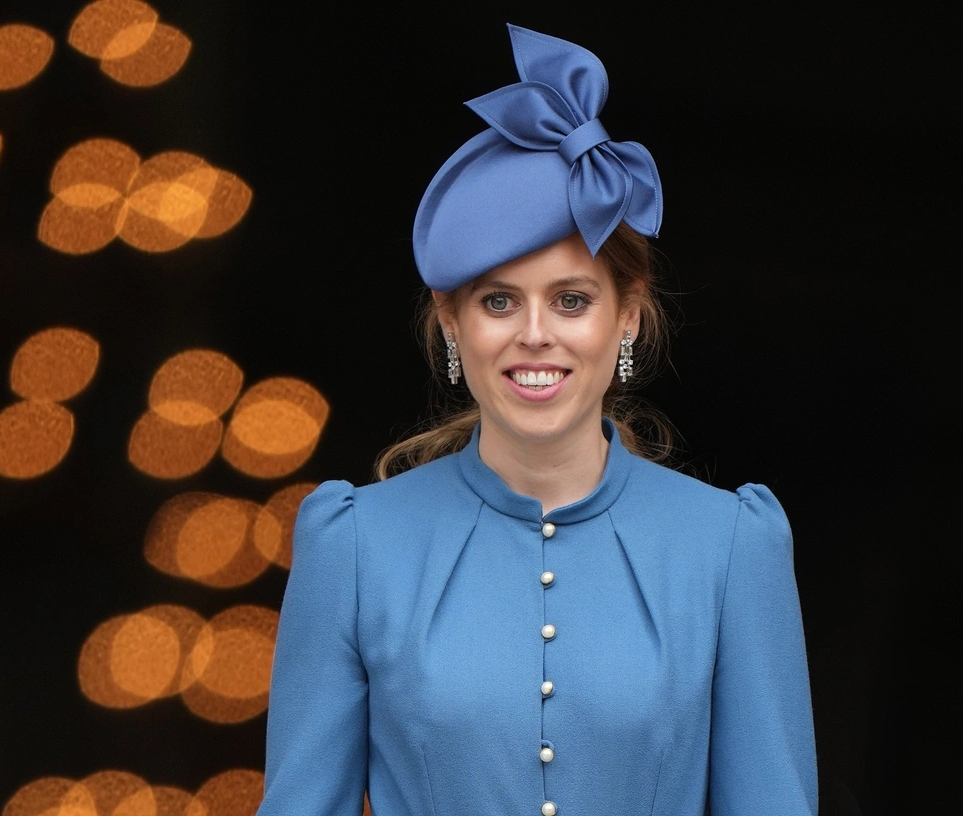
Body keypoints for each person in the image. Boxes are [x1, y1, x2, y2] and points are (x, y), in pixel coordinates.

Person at [256, 24, 817, 816]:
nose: (534, 334)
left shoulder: (730, 547)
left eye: (571, 300)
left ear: (627, 317)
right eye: (497, 301)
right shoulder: (352, 546)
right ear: (451, 323)